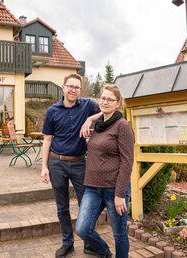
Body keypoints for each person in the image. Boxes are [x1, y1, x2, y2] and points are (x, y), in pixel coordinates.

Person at [41, 73, 101, 258]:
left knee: (87, 205)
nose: (73, 90)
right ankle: (67, 243)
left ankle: (89, 243)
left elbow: (110, 110)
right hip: (56, 162)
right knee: (62, 206)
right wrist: (44, 167)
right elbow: (47, 140)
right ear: (63, 87)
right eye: (70, 86)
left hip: (79, 163)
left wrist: (90, 119)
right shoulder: (52, 111)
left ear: (80, 90)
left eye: (76, 87)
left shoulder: (87, 105)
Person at [75, 84, 134, 258]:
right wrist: (89, 120)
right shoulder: (99, 124)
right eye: (103, 98)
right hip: (92, 187)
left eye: (110, 99)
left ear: (118, 103)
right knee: (82, 228)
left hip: (113, 189)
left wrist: (120, 193)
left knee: (119, 234)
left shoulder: (122, 126)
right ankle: (104, 252)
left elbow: (127, 161)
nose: (105, 102)